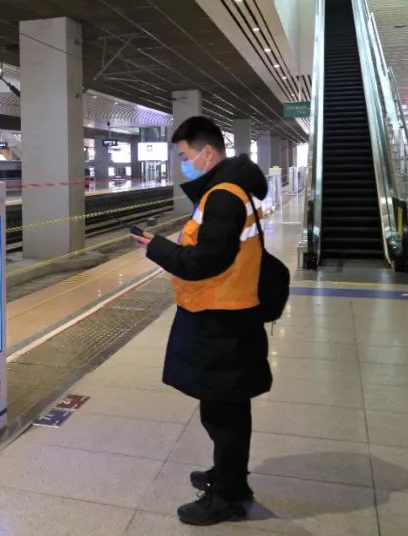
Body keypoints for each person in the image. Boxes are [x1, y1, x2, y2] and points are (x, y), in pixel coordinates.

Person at [131, 116, 272, 526]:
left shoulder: (223, 196)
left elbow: (205, 261)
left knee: (223, 412)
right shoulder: (228, 190)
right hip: (227, 312)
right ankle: (229, 477)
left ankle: (228, 497)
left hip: (222, 319)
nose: (183, 164)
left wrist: (156, 248)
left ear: (207, 153)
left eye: (184, 156)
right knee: (226, 408)